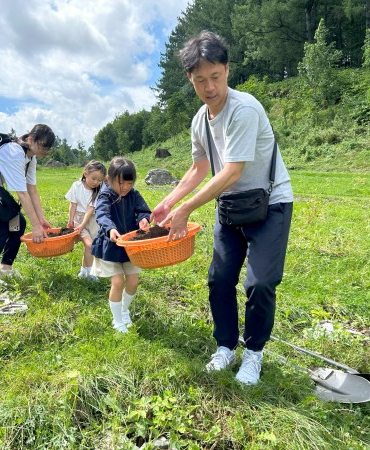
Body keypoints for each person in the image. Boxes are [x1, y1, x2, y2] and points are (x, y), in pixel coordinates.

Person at [151, 31, 294, 385]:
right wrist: (168, 202)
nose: (209, 87)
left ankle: (254, 354)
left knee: (260, 283)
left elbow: (233, 170)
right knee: (219, 280)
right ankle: (226, 347)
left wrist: (185, 210)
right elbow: (200, 168)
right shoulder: (200, 119)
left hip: (269, 201)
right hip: (230, 206)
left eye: (215, 77)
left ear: (227, 70)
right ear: (190, 79)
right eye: (200, 80)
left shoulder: (243, 109)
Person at [0, 124, 56, 284]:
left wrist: (41, 220)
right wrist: (35, 227)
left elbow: (32, 189)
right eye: (43, 146)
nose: (45, 151)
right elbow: (22, 193)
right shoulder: (13, 153)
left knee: (18, 223)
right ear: (31, 139)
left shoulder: (30, 157)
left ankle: (5, 268)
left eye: (48, 148)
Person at [91, 157, 151, 333]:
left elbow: (144, 211)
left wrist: (144, 220)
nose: (125, 187)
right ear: (109, 180)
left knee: (133, 280)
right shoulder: (105, 195)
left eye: (129, 183)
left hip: (130, 246)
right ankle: (117, 321)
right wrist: (110, 229)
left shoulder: (134, 195)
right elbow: (102, 214)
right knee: (117, 281)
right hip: (110, 245)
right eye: (120, 183)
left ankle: (124, 311)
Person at [65, 160, 107, 281]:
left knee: (91, 247)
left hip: (92, 220)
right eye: (94, 178)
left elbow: (90, 209)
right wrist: (70, 220)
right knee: (89, 245)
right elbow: (72, 205)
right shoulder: (76, 186)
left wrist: (84, 224)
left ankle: (83, 272)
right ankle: (91, 274)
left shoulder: (100, 189)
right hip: (79, 219)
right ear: (85, 173)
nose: (96, 182)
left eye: (99, 180)